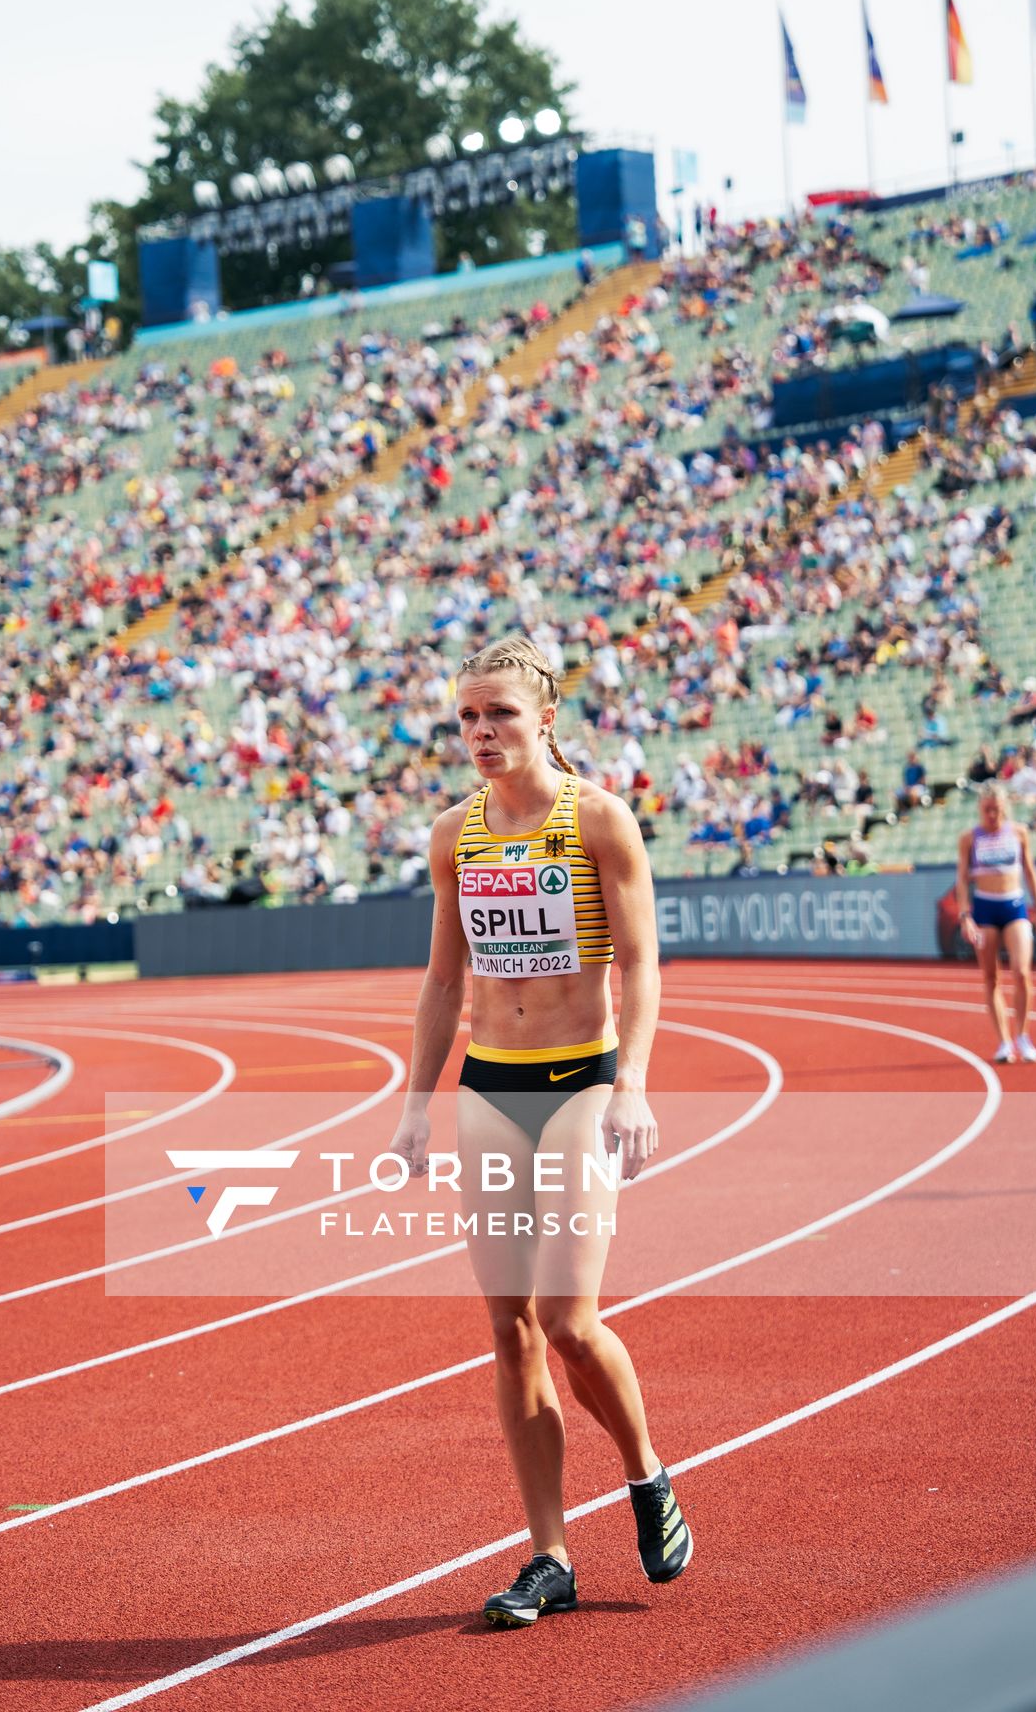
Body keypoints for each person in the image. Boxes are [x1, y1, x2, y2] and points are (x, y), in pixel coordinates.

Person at [389, 635, 690, 1630]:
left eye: (499, 715)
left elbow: (640, 965)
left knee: (567, 1322)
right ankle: (548, 1555)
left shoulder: (597, 820)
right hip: (489, 1086)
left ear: (545, 718)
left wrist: (633, 1084)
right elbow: (441, 981)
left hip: (575, 1083)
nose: (480, 733)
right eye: (466, 718)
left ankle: (644, 1474)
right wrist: (414, 1102)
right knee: (508, 1330)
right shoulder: (453, 835)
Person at [955, 783, 1036, 1064]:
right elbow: (961, 878)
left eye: (996, 809)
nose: (992, 815)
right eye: (987, 810)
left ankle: (1023, 1035)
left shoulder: (1019, 832)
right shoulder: (969, 838)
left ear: (1004, 807)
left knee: (1022, 972)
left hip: (1014, 906)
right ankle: (1004, 1042)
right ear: (979, 810)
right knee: (991, 977)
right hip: (984, 909)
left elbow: (1030, 872)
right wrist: (965, 916)